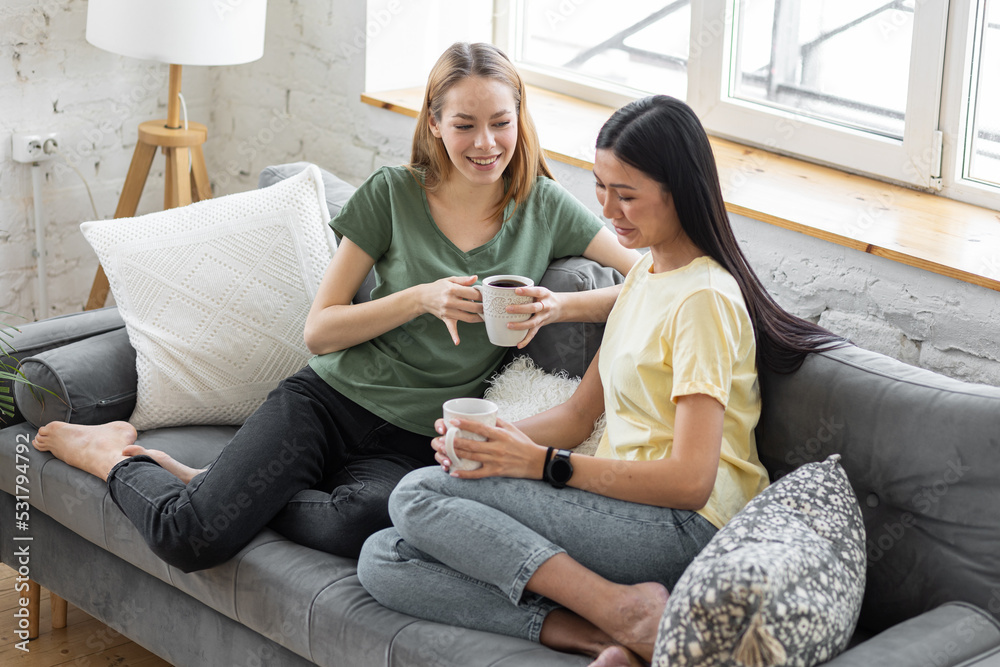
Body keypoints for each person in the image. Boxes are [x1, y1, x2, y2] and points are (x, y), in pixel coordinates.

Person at [30, 42, 639, 571]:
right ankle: (110, 456)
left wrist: (559, 307)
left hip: (412, 439)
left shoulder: (545, 206)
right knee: (191, 537)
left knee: (365, 524)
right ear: (434, 123)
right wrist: (419, 298)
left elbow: (651, 276)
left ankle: (211, 483)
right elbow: (320, 331)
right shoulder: (392, 195)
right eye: (464, 124)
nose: (486, 144)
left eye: (501, 122)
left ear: (519, 118)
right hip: (327, 404)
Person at [356, 95, 847, 666]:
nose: (609, 210)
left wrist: (542, 464)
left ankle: (621, 609)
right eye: (601, 187)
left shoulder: (705, 302)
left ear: (679, 190)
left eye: (628, 194)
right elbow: (575, 417)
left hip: (686, 526)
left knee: (417, 494)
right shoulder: (645, 275)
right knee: (385, 555)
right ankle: (609, 635)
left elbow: (691, 479)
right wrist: (494, 441)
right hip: (622, 512)